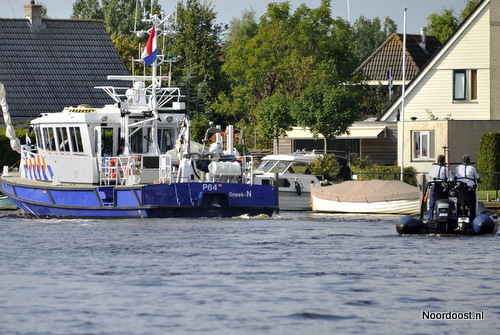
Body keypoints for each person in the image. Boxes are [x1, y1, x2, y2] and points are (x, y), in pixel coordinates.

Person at [455, 154, 482, 219]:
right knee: (473, 203)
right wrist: (480, 181)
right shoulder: (472, 168)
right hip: (469, 190)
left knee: (458, 202)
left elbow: (456, 176)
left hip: (460, 189)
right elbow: (477, 178)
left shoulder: (457, 167)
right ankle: (473, 217)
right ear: (469, 161)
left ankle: (458, 215)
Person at [427, 155, 452, 221]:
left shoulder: (433, 167)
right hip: (442, 189)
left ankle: (431, 219)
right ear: (444, 161)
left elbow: (430, 175)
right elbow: (450, 179)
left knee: (432, 204)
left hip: (434, 187)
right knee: (446, 202)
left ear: (437, 160)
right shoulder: (446, 169)